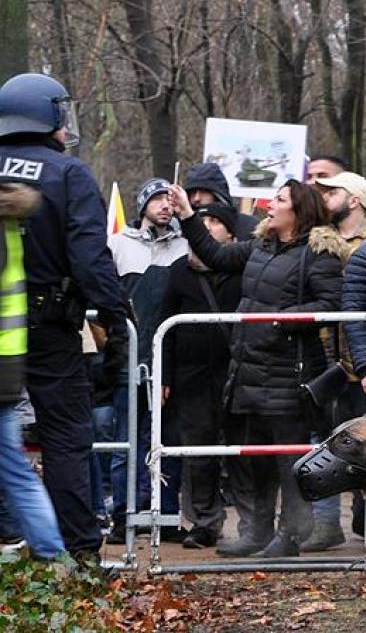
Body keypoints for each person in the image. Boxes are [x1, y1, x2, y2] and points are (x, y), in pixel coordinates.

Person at [168, 179, 343, 558]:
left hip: (289, 373)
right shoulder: (260, 245)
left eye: (279, 200)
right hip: (249, 368)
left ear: (299, 211)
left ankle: (291, 535)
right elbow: (215, 255)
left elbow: (331, 304)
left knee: (289, 459)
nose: (269, 204)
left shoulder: (318, 253)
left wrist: (279, 319)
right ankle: (257, 531)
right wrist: (185, 214)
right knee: (255, 460)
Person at [0, 73, 130, 558]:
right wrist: (115, 319)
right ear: (50, 115)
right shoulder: (67, 173)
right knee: (66, 440)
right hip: (51, 328)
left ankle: (12, 537)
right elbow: (91, 259)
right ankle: (77, 553)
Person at [106, 178, 190, 543]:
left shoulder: (184, 245)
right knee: (128, 440)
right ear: (142, 206)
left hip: (171, 359)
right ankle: (123, 515)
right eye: (157, 198)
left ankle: (168, 514)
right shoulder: (118, 245)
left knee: (169, 440)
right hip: (129, 358)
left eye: (169, 199)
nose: (164, 205)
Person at [159, 204, 242, 549]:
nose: (206, 227)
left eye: (215, 221)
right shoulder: (179, 272)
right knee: (198, 453)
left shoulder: (243, 270)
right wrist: (164, 376)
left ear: (231, 235)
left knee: (243, 451)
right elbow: (164, 328)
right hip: (191, 377)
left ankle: (255, 524)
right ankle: (204, 521)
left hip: (239, 374)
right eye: (201, 220)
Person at [303, 170, 366, 552]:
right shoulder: (314, 243)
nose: (324, 197)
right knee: (323, 443)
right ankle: (325, 524)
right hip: (324, 356)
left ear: (356, 199)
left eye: (333, 191)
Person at [0, 181, 66, 560]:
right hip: (7, 368)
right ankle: (52, 555)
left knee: (16, 472)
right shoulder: (10, 217)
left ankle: (52, 553)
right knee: (16, 471)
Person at [182, 162, 258, 240]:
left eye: (203, 191)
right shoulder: (184, 227)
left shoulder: (249, 228)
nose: (196, 198)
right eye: (193, 192)